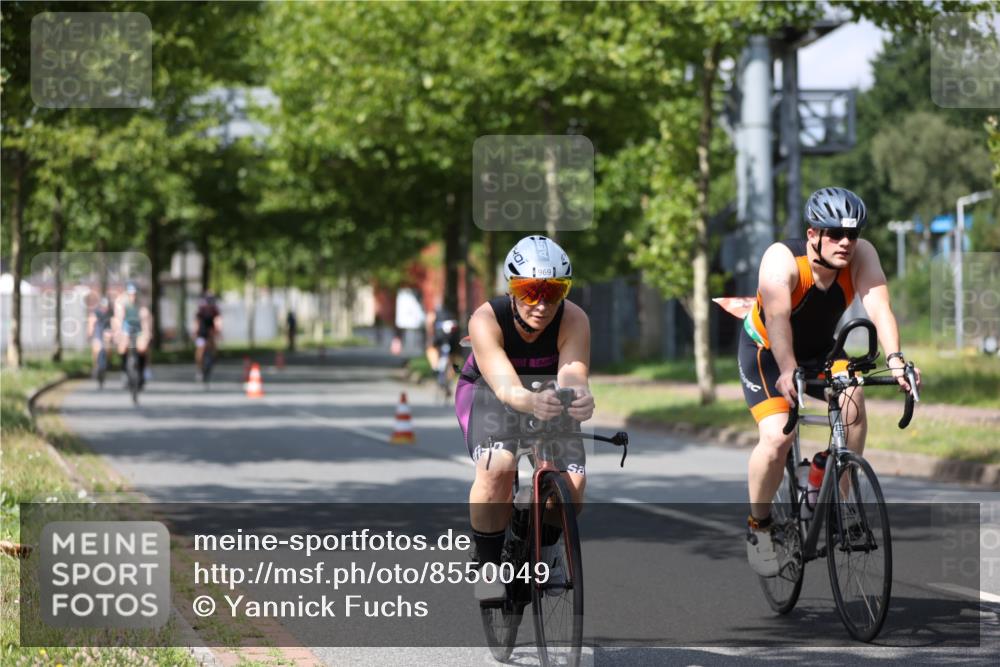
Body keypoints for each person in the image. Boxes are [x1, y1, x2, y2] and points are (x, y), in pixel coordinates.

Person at [740, 187, 921, 577]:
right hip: (769, 354)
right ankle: (759, 526)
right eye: (835, 233)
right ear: (812, 235)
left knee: (853, 396)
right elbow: (777, 320)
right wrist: (788, 369)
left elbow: (879, 307)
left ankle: (836, 501)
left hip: (821, 351)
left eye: (852, 235)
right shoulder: (781, 259)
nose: (846, 242)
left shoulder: (862, 255)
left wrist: (895, 361)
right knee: (776, 438)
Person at [455, 235, 595, 601]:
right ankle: (487, 564)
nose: (542, 303)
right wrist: (532, 403)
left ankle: (545, 549)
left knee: (573, 488)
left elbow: (572, 374)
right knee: (497, 467)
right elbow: (508, 390)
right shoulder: (486, 319)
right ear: (512, 289)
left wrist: (578, 397)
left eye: (554, 290)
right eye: (530, 290)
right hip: (491, 391)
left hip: (546, 394)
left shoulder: (574, 318)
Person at [114, 282, 154, 388]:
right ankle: (124, 372)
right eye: (131, 294)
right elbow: (119, 318)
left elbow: (146, 318)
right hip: (126, 327)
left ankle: (142, 372)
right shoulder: (121, 302)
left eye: (135, 294)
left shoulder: (142, 302)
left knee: (142, 348)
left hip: (139, 327)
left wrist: (147, 332)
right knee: (123, 348)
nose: (133, 296)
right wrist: (118, 332)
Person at [425, 305, 461, 397]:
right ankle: (449, 381)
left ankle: (435, 367)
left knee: (430, 348)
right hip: (452, 338)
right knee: (453, 360)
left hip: (440, 337)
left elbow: (429, 323)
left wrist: (430, 336)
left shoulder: (434, 312)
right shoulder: (454, 312)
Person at [193, 291, 222, 381]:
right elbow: (197, 321)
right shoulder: (201, 309)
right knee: (200, 350)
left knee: (213, 347)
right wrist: (195, 331)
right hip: (202, 332)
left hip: (211, 331)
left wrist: (218, 331)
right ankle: (199, 369)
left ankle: (212, 360)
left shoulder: (214, 310)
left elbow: (218, 321)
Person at [87, 295, 113, 378]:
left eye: (107, 306)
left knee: (108, 347)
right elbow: (91, 322)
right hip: (98, 331)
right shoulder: (96, 312)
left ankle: (107, 363)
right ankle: (95, 365)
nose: (105, 308)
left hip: (107, 331)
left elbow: (114, 322)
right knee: (96, 348)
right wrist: (90, 333)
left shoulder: (111, 313)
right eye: (104, 306)